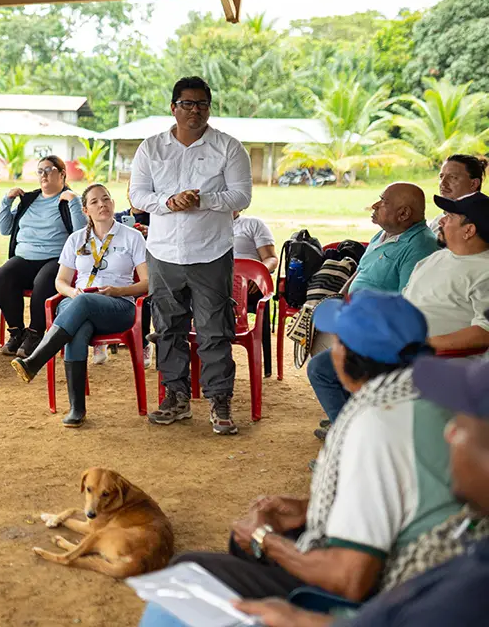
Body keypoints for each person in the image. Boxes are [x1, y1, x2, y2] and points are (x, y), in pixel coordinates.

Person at [137, 292, 459, 622]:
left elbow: (351, 579)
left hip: (384, 600)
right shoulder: (434, 400)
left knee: (188, 571)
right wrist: (309, 510)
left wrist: (267, 540)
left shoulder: (376, 424)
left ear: (347, 356)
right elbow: (404, 496)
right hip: (440, 581)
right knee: (242, 542)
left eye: (336, 342)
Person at [129, 76, 253, 435]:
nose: (194, 110)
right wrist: (168, 203)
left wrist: (203, 200)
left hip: (211, 251)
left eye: (201, 104)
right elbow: (138, 195)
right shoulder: (151, 148)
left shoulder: (229, 148)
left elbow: (241, 196)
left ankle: (219, 401)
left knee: (215, 329)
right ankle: (176, 397)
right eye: (187, 104)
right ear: (173, 107)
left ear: (209, 108)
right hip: (164, 253)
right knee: (168, 328)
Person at [310, 192, 489, 424]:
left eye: (450, 216)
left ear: (469, 230)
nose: (441, 220)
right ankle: (351, 432)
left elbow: (484, 333)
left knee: (362, 375)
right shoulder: (436, 259)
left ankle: (358, 438)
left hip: (440, 358)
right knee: (324, 366)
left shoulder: (484, 271)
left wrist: (423, 344)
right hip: (400, 345)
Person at [11, 184, 148, 427]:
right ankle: (77, 409)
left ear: (113, 204)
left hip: (118, 306)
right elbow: (60, 282)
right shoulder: (76, 239)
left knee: (81, 307)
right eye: (94, 202)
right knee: (79, 327)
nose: (102, 204)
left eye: (106, 199)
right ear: (85, 210)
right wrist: (73, 292)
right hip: (77, 302)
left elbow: (148, 283)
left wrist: (119, 291)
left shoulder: (132, 236)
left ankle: (34, 361)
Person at [0, 155, 86, 358]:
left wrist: (74, 201)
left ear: (62, 174)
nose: (43, 175)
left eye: (49, 170)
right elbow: (5, 228)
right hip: (25, 257)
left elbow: (81, 233)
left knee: (43, 280)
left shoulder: (68, 200)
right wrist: (6, 201)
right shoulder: (29, 200)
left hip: (56, 259)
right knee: (3, 276)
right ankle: (17, 333)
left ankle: (35, 334)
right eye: (40, 171)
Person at [233, 209, 277, 366]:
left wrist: (257, 275)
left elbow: (271, 258)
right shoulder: (206, 225)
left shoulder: (252, 224)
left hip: (249, 286)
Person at [427, 154, 485, 235]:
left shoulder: (482, 223)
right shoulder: (438, 221)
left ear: (474, 184)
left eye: (452, 177)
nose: (443, 183)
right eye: (441, 177)